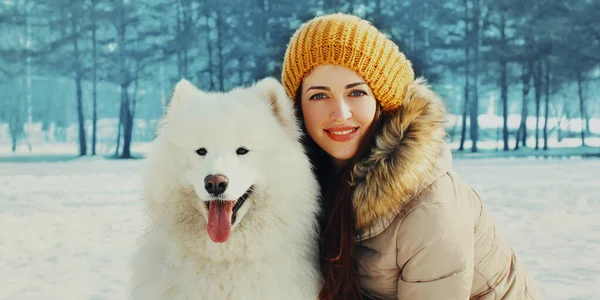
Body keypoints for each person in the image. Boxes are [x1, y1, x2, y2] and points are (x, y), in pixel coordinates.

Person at [280, 13, 543, 300]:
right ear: (297, 108)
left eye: (356, 92)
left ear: (382, 100)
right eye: (319, 96)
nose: (340, 113)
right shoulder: (304, 186)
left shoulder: (428, 207)